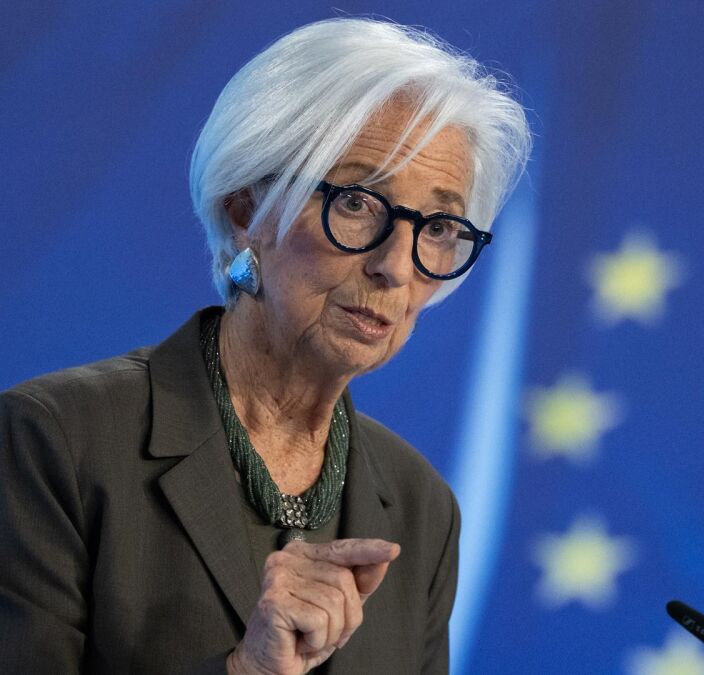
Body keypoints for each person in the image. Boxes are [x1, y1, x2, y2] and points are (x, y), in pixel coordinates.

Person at [0, 17, 530, 675]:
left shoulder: (421, 506)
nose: (396, 266)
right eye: (359, 202)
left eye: (441, 226)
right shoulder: (55, 439)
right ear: (246, 209)